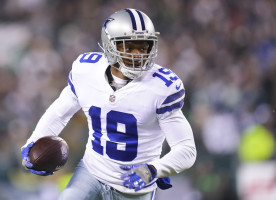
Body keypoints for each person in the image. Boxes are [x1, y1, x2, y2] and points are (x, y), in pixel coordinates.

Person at [21, 8, 197, 200]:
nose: (138, 55)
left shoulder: (161, 87)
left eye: (143, 47)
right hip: (91, 172)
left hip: (134, 187)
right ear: (109, 45)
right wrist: (35, 140)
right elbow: (60, 112)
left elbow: (186, 149)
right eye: (129, 47)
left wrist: (154, 169)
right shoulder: (87, 71)